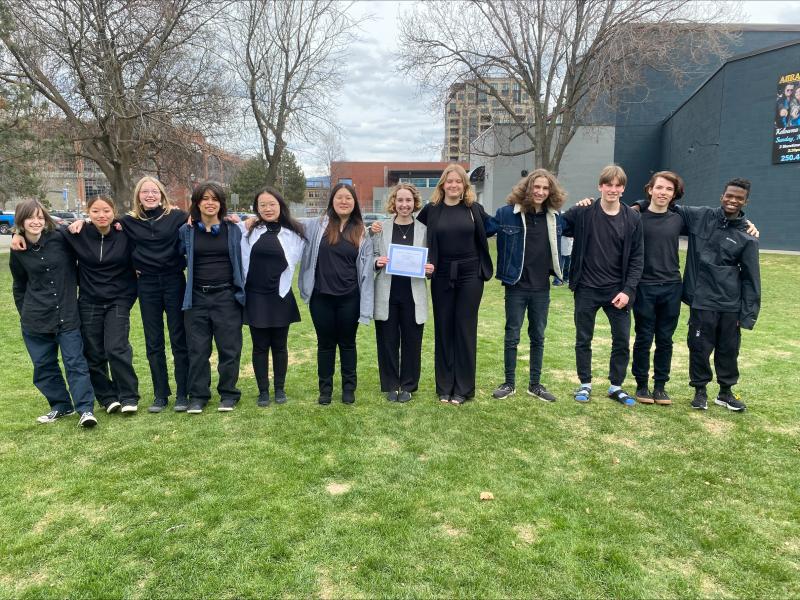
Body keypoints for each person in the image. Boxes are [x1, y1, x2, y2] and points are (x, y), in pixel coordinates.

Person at [65, 177, 190, 412]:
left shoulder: (177, 216)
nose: (150, 195)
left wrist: (239, 220)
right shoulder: (129, 222)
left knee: (178, 339)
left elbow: (204, 218)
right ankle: (160, 394)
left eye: (154, 191)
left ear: (162, 194)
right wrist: (80, 222)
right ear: (138, 196)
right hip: (147, 285)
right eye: (145, 192)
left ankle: (183, 392)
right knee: (154, 342)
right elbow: (101, 218)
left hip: (174, 282)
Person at [561, 165, 644, 407]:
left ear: (623, 189)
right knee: (583, 338)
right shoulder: (584, 213)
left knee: (621, 340)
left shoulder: (632, 218)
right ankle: (584, 384)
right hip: (586, 288)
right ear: (600, 186)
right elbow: (557, 224)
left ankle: (616, 386)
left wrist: (628, 291)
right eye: (608, 184)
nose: (613, 189)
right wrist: (576, 206)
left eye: (618, 185)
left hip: (617, 291)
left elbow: (638, 258)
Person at [10, 199, 98, 427]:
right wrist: (25, 314)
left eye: (40, 217)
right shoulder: (18, 249)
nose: (36, 221)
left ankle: (85, 410)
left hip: (67, 316)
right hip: (35, 319)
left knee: (75, 362)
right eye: (30, 217)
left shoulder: (61, 238)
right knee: (44, 366)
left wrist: (85, 220)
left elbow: (94, 224)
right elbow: (19, 286)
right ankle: (61, 405)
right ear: (21, 221)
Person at [676, 179, 761, 411]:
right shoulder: (701, 216)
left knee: (729, 350)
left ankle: (725, 392)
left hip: (729, 304)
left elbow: (752, 279)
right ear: (722, 195)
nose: (733, 201)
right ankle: (700, 391)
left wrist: (747, 315)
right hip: (701, 300)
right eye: (729, 196)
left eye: (739, 198)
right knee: (699, 347)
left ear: (746, 201)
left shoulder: (747, 235)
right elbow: (668, 206)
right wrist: (637, 204)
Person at [416, 163, 495, 405]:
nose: (453, 185)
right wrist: (377, 228)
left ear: (464, 185)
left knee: (464, 329)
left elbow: (499, 226)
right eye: (449, 181)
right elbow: (410, 230)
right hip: (441, 275)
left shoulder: (474, 209)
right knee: (443, 328)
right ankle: (444, 386)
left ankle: (463, 388)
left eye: (458, 181)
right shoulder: (431, 210)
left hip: (470, 276)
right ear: (443, 184)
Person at [62, 196, 140, 414]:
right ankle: (107, 397)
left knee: (116, 348)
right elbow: (44, 231)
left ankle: (128, 396)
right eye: (95, 211)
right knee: (94, 352)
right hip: (89, 301)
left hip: (118, 300)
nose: (101, 215)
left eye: (106, 210)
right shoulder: (78, 233)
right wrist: (17, 232)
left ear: (113, 211)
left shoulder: (125, 233)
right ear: (88, 213)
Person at [491, 169, 564, 402]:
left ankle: (535, 384)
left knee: (538, 336)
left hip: (541, 288)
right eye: (536, 187)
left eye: (545, 188)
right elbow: (477, 228)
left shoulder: (556, 218)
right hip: (516, 286)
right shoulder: (506, 214)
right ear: (527, 188)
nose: (540, 192)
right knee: (512, 335)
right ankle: (509, 383)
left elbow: (587, 219)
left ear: (550, 191)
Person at [298, 183, 374, 405]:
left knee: (348, 344)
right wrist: (250, 221)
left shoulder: (361, 231)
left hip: (350, 299)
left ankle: (349, 389)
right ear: (332, 200)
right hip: (321, 298)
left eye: (348, 198)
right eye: (339, 197)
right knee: (325, 344)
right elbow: (288, 223)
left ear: (354, 203)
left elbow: (368, 270)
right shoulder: (317, 226)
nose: (344, 201)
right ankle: (325, 389)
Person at [178, 181, 245, 414]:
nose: (210, 203)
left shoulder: (232, 229)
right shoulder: (186, 231)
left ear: (221, 204)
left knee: (229, 349)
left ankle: (229, 393)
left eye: (215, 199)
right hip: (196, 298)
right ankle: (198, 395)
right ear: (197, 203)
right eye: (205, 199)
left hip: (226, 296)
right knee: (198, 349)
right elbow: (176, 256)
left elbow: (255, 227)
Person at [240, 186, 305, 407]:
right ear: (256, 208)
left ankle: (279, 389)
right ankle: (263, 391)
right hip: (255, 296)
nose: (268, 209)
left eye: (272, 204)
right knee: (259, 347)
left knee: (280, 345)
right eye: (262, 205)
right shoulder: (247, 230)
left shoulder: (295, 233)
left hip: (280, 296)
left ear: (280, 206)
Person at [372, 183, 433, 403]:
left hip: (413, 295)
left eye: (408, 200)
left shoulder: (424, 230)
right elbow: (372, 255)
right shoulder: (382, 229)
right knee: (387, 341)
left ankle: (408, 385)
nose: (404, 205)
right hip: (387, 294)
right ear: (393, 203)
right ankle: (391, 384)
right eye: (400, 200)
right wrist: (377, 262)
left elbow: (429, 261)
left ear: (415, 203)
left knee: (412, 342)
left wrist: (429, 269)